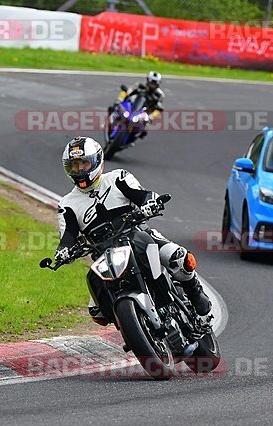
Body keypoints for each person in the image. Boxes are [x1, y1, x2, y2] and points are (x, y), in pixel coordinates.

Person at [55, 136, 211, 325]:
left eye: (84, 164)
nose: (79, 170)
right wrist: (63, 251)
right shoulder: (67, 204)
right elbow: (68, 235)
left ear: (97, 161)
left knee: (178, 257)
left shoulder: (117, 178)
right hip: (104, 254)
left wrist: (150, 203)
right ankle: (134, 328)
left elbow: (143, 195)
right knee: (97, 312)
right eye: (73, 166)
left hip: (137, 235)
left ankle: (195, 293)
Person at [110, 71, 164, 138]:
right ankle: (114, 113)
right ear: (148, 80)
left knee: (144, 131)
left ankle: (133, 136)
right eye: (152, 82)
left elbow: (159, 107)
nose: (153, 84)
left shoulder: (160, 94)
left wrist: (150, 117)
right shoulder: (139, 85)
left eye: (155, 83)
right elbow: (128, 91)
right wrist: (121, 99)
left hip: (144, 111)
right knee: (121, 97)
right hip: (132, 105)